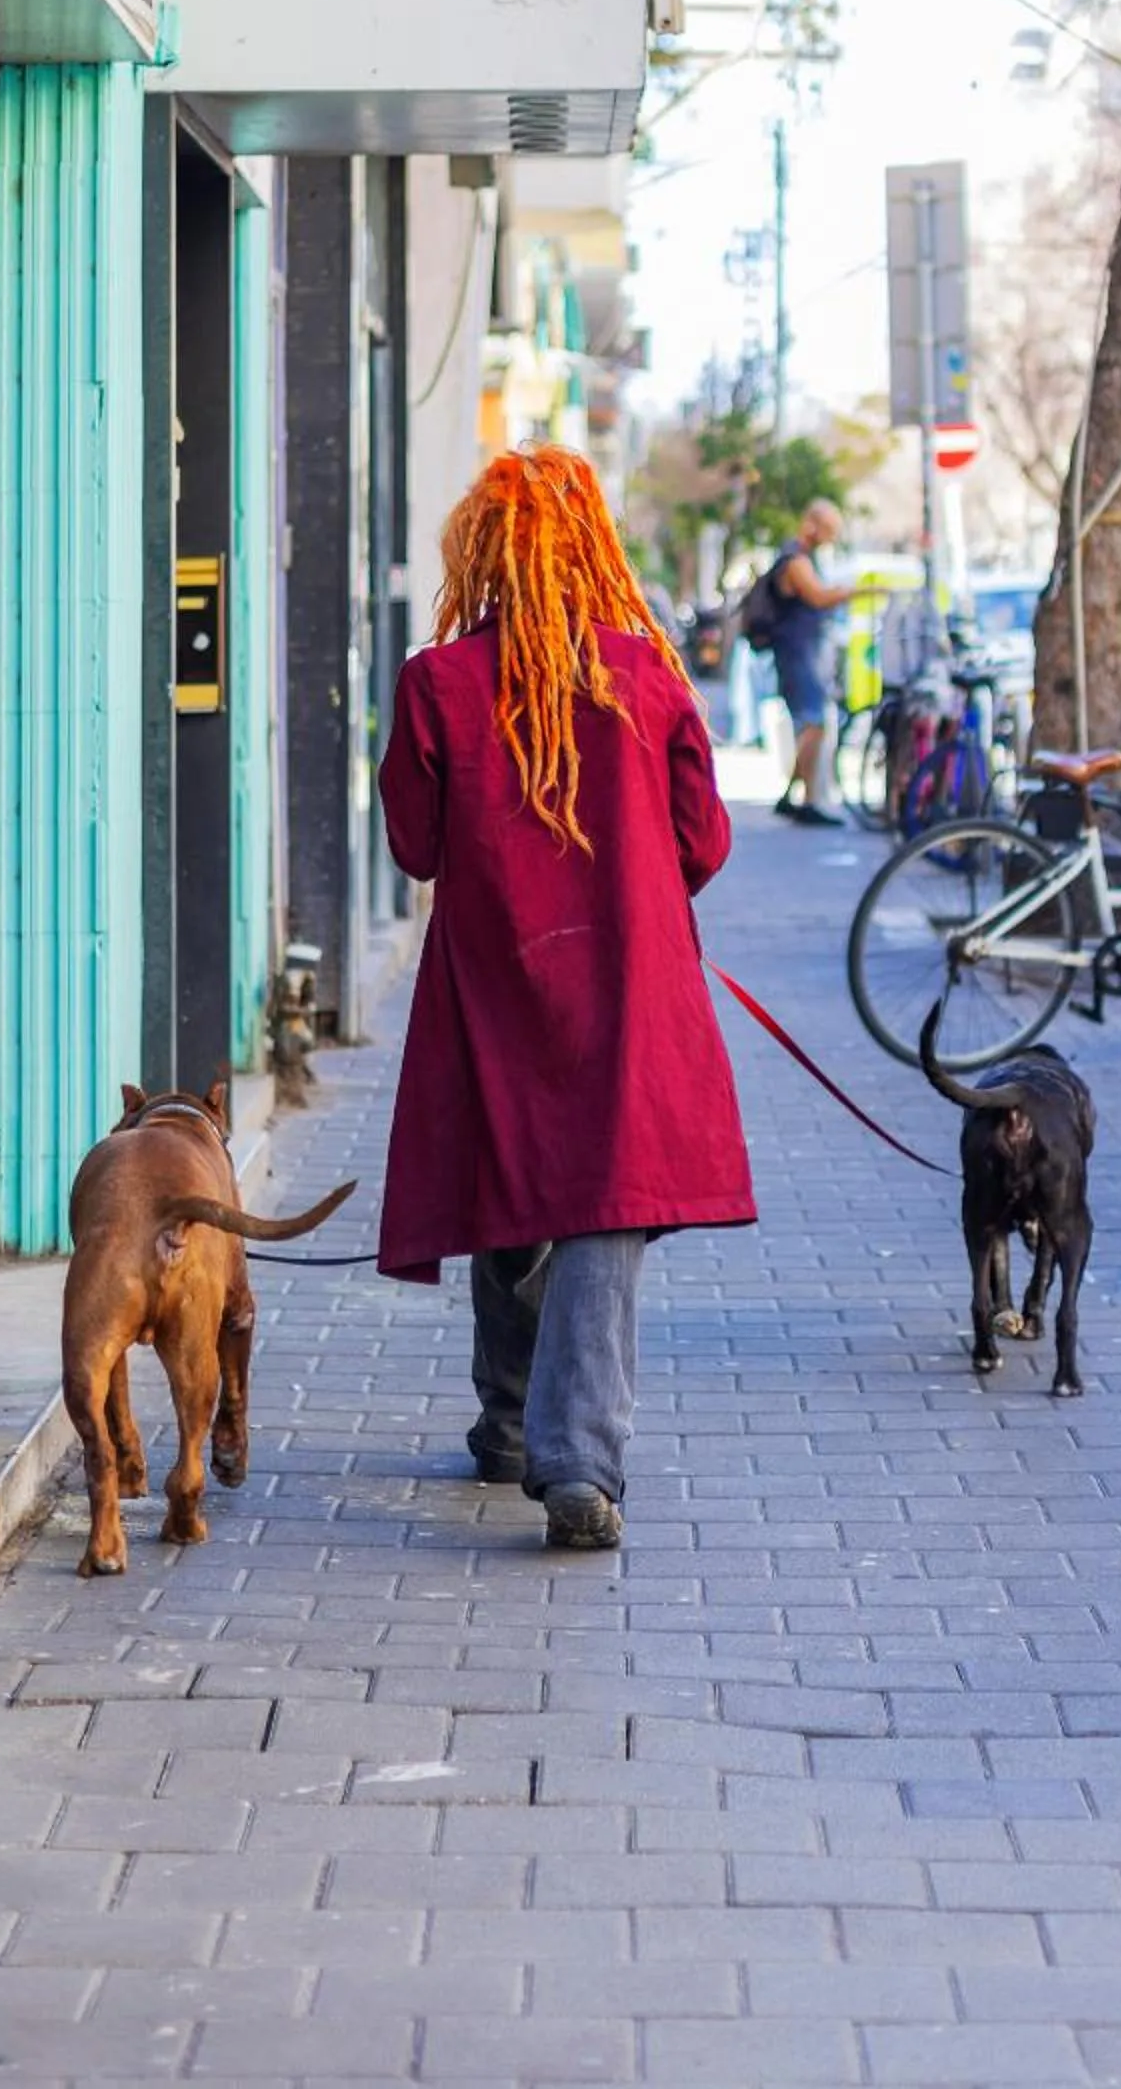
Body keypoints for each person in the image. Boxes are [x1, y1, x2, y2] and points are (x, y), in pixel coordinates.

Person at [375, 447, 757, 1552]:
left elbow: (413, 845)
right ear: (593, 547)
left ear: (478, 556)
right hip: (628, 976)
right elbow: (704, 843)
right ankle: (573, 1456)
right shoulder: (645, 676)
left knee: (514, 1163)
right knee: (604, 1197)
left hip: (494, 970)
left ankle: (513, 1422)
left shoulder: (436, 683)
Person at [766, 496, 858, 827]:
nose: (831, 537)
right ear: (813, 525)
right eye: (829, 530)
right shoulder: (795, 560)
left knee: (811, 723)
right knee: (814, 722)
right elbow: (817, 596)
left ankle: (794, 794)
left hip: (806, 652)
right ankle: (807, 799)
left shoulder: (803, 557)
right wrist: (853, 591)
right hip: (798, 652)